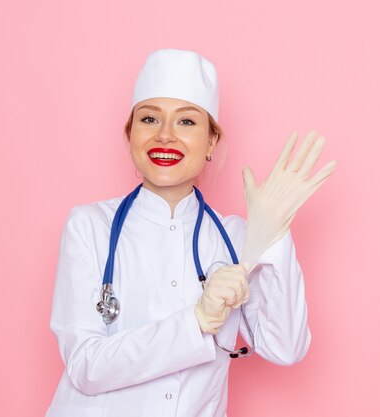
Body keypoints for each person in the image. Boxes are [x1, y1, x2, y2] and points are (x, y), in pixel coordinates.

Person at [45, 48, 336, 417]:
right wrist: (196, 322)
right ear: (130, 132)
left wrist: (275, 233)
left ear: (211, 141)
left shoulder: (236, 238)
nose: (165, 136)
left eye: (186, 122)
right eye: (149, 119)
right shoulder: (89, 227)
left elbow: (286, 347)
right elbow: (85, 366)